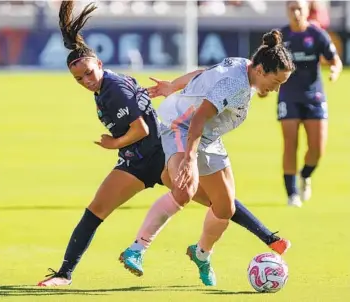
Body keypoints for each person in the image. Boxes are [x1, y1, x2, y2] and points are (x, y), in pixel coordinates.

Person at [37, 1, 290, 287]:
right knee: (115, 206)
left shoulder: (115, 89)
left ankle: (171, 252)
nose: (85, 81)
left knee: (214, 200)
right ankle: (71, 272)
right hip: (146, 153)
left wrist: (115, 143)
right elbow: (204, 78)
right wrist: (173, 88)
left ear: (100, 64)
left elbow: (142, 127)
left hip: (158, 149)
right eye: (78, 78)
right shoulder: (108, 87)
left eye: (88, 73)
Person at [120, 30, 295, 286]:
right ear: (260, 70)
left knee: (225, 208)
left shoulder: (242, 64)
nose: (277, 89)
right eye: (277, 81)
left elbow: (202, 73)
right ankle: (137, 249)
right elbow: (199, 118)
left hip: (209, 138)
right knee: (184, 189)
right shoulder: (236, 84)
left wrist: (173, 85)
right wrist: (189, 159)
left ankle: (201, 253)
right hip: (181, 127)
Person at [265, 0, 342, 207]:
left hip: (314, 97)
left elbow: (335, 60)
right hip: (288, 96)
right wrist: (261, 86)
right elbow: (262, 62)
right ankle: (292, 194)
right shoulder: (279, 37)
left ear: (308, 11)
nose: (296, 12)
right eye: (292, 9)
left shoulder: (317, 35)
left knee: (317, 149)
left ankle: (305, 175)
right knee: (290, 144)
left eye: (300, 8)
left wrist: (335, 70)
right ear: (287, 11)